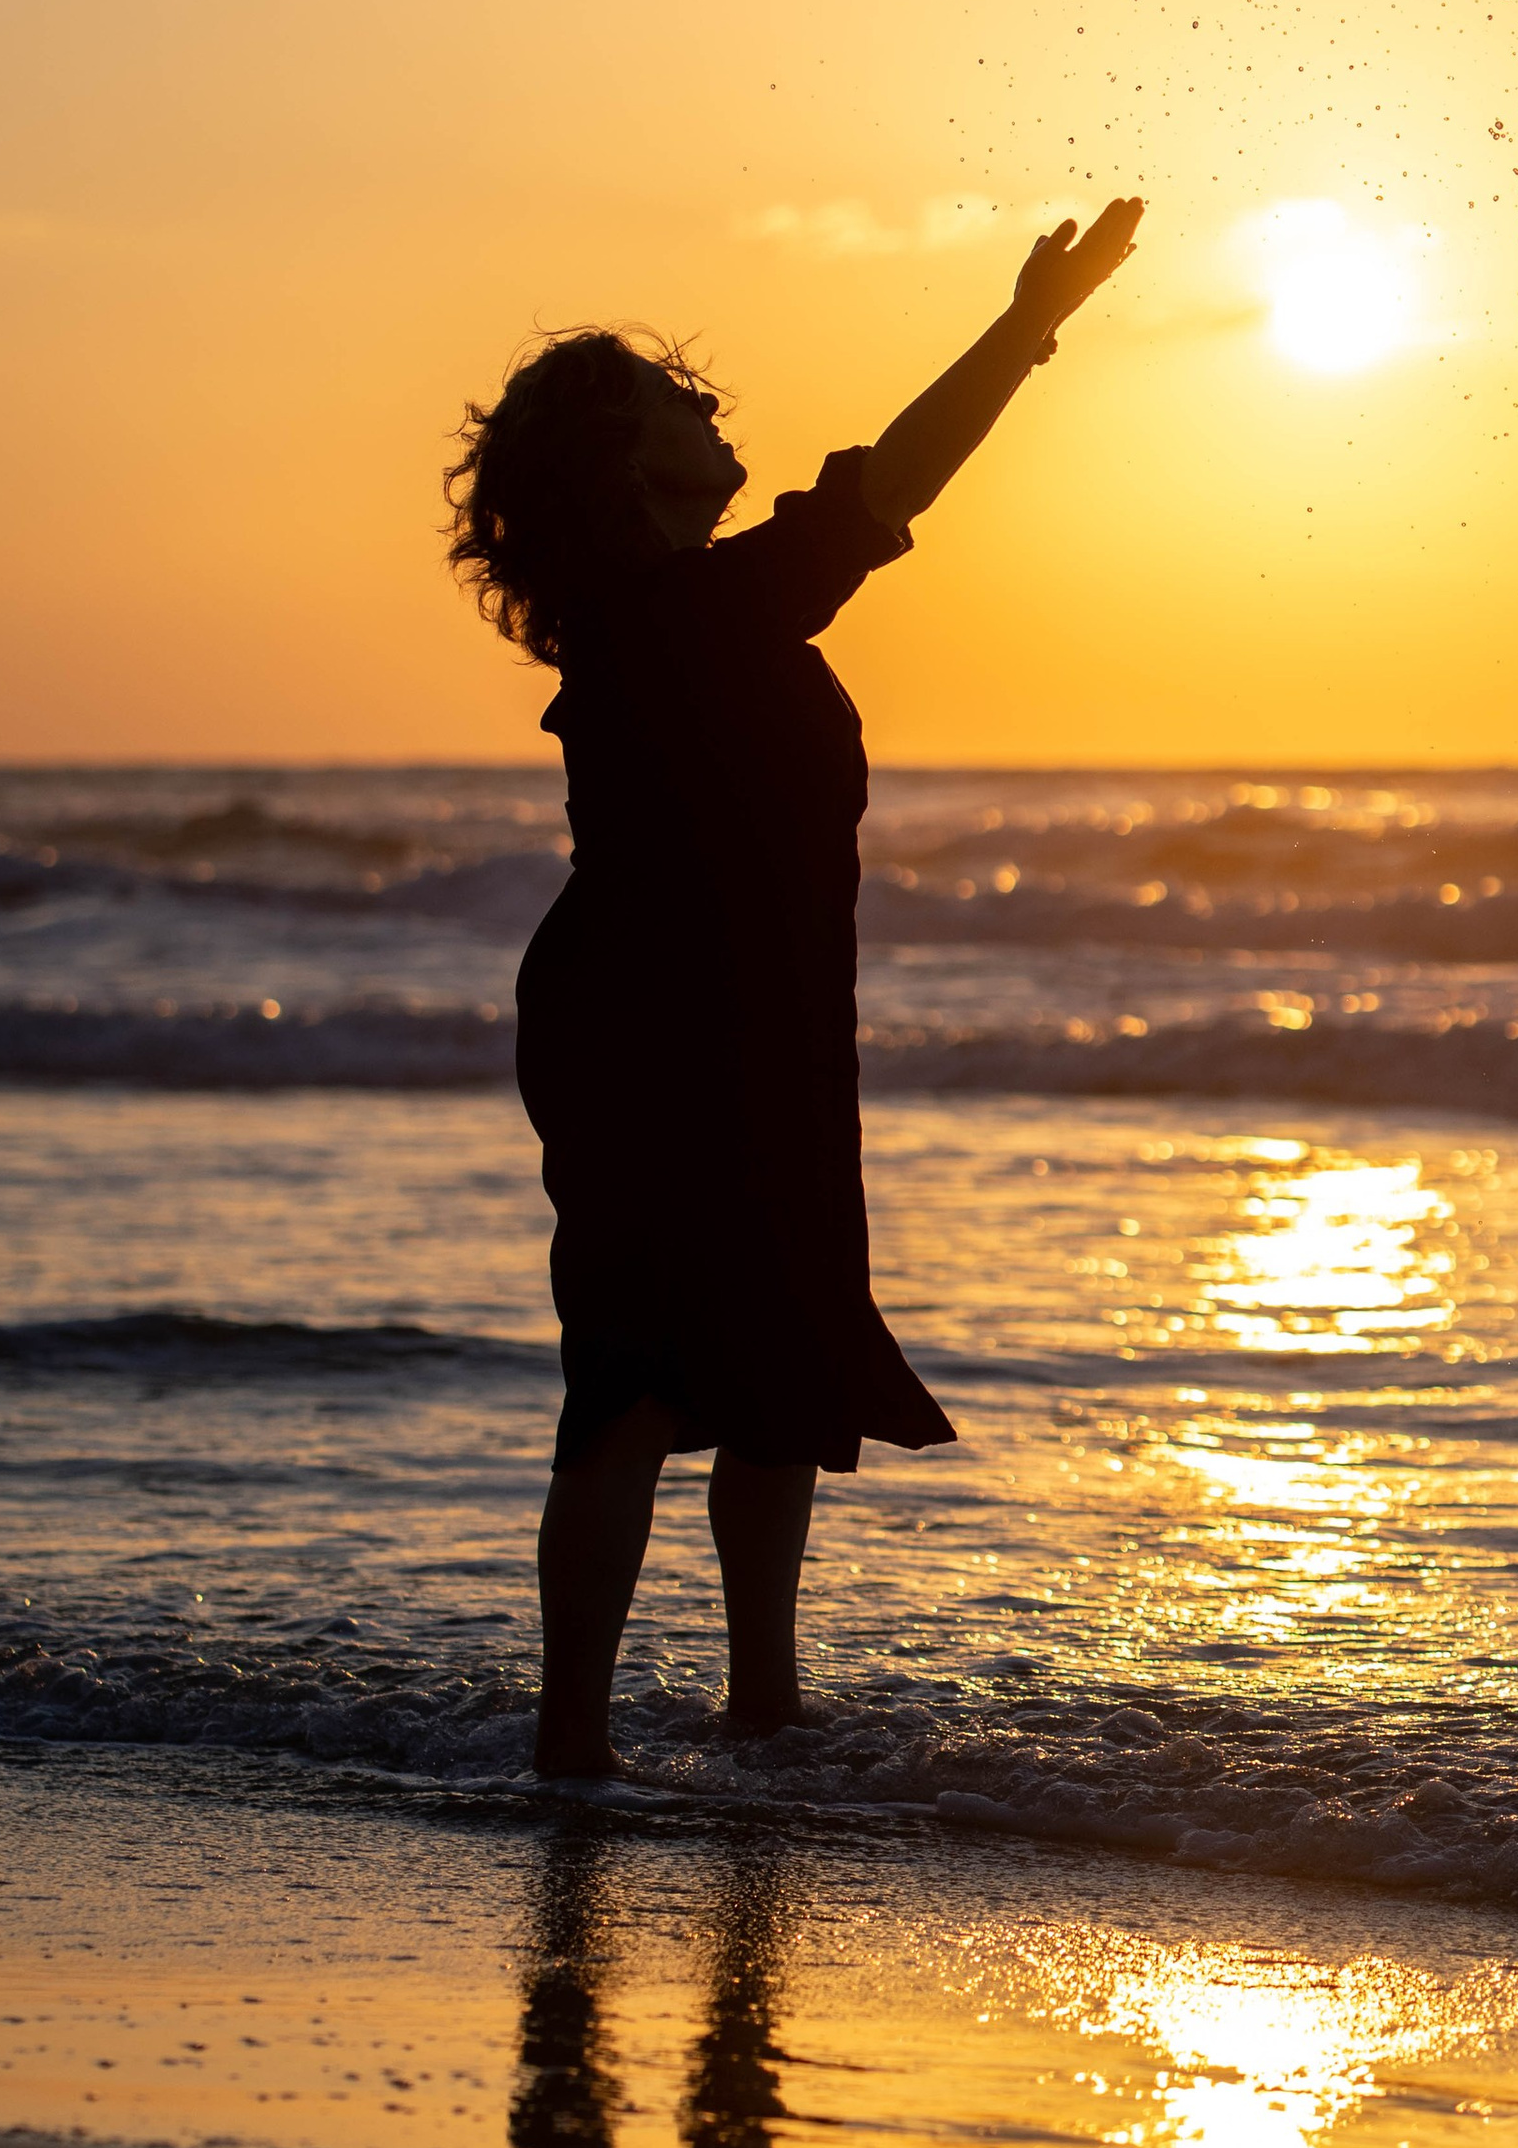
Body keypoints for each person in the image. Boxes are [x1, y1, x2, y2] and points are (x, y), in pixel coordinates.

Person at [447, 198, 1144, 1776]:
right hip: (655, 1018)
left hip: (745, 1016)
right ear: (625, 468)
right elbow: (888, 489)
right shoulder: (686, 611)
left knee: (767, 1358)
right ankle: (581, 1744)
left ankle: (760, 1706)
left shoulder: (668, 616)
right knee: (630, 1372)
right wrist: (1028, 325)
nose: (709, 408)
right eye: (673, 401)